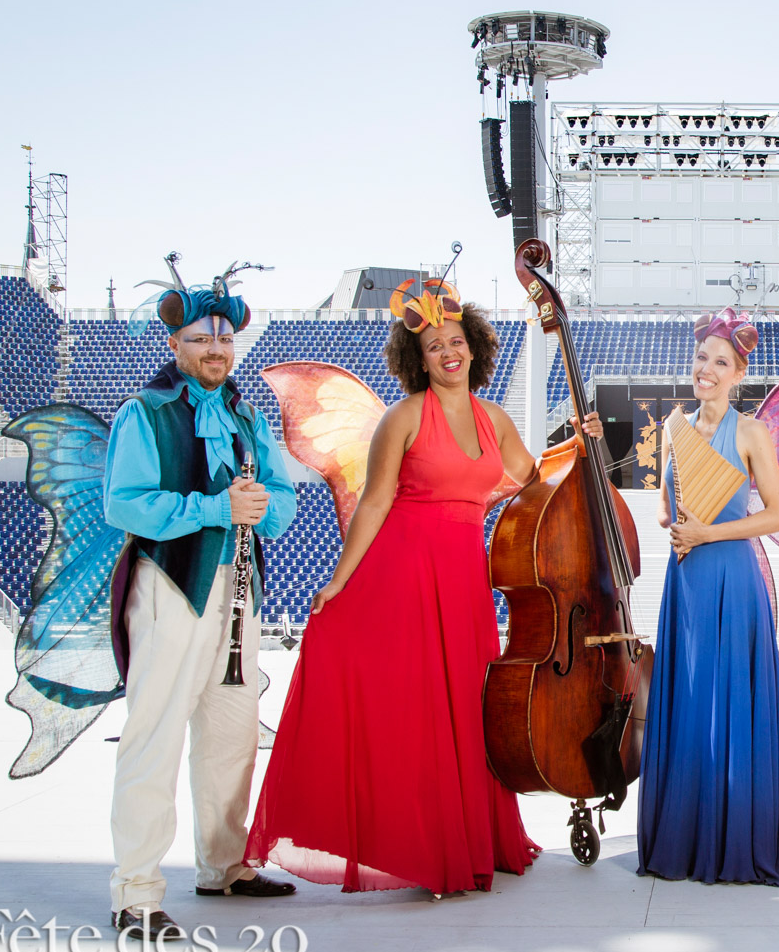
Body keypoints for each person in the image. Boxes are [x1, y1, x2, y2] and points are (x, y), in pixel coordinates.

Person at [244, 279, 601, 897]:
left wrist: (580, 438)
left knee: (465, 708)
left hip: (464, 574)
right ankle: (425, 848)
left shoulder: (494, 418)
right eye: (434, 346)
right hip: (402, 570)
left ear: (476, 347)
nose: (448, 353)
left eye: (456, 341)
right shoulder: (403, 417)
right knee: (415, 709)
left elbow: (529, 476)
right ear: (419, 358)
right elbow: (375, 502)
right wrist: (338, 581)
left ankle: (468, 840)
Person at [102, 275, 300, 942]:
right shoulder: (145, 412)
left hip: (238, 590)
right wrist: (214, 508)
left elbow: (282, 497)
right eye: (202, 338)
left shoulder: (247, 416)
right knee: (155, 733)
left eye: (224, 336)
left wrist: (261, 505)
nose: (217, 347)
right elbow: (123, 503)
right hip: (170, 587)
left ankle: (224, 865)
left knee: (230, 733)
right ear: (176, 344)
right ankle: (135, 891)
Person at [639, 308, 779, 884]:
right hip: (685, 580)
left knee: (728, 703)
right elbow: (664, 508)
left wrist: (708, 529)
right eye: (702, 358)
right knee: (688, 701)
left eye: (721, 362)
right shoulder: (673, 429)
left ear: (738, 373)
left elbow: (778, 516)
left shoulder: (752, 431)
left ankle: (734, 840)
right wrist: (677, 519)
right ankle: (684, 840)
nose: (706, 370)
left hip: (732, 580)